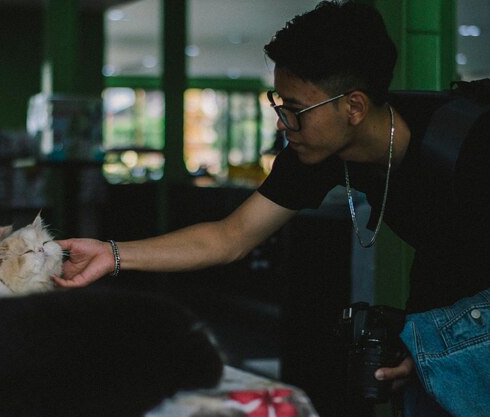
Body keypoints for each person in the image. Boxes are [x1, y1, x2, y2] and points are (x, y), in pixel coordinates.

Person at [54, 2, 489, 417]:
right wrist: (111, 254)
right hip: (442, 307)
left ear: (353, 107)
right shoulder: (317, 152)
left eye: (296, 109)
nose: (282, 122)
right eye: (278, 103)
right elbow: (230, 236)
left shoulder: (472, 147)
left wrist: (442, 349)